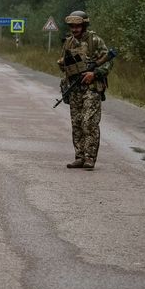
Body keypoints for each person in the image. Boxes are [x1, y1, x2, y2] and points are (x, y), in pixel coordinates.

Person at [57, 10, 113, 170]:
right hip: (74, 88)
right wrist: (64, 64)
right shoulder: (68, 42)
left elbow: (108, 62)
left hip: (91, 87)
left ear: (84, 25)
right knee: (77, 123)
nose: (74, 29)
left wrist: (94, 73)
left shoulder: (95, 40)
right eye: (72, 26)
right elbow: (64, 64)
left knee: (89, 122)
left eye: (77, 26)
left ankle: (90, 158)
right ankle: (79, 157)